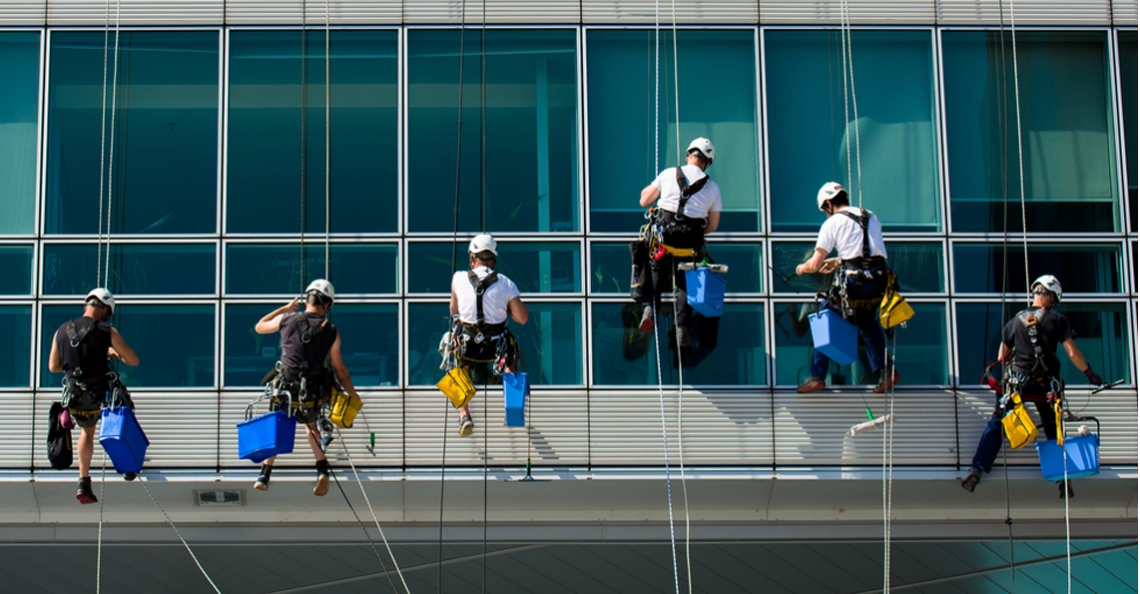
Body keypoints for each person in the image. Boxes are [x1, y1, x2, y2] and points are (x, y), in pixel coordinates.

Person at [961, 275, 1103, 497]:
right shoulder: (1057, 319)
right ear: (1052, 297)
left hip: (1018, 385)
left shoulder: (1013, 322)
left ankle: (976, 469)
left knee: (997, 423)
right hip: (1045, 385)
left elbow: (1002, 356)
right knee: (1053, 429)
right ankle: (1062, 478)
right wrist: (1090, 373)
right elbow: (1072, 352)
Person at [252, 279, 362, 496]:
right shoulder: (330, 330)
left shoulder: (286, 319)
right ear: (328, 305)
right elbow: (340, 370)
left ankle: (265, 473)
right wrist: (353, 395)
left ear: (307, 300)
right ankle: (322, 469)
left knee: (279, 424)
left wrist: (285, 308)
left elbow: (259, 326)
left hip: (285, 386)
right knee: (311, 426)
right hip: (311, 389)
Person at [795, 181, 899, 394]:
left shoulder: (833, 223)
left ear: (829, 204)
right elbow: (868, 253)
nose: (826, 214)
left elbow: (814, 263)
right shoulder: (871, 216)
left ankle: (816, 375)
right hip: (878, 281)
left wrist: (801, 268)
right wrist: (839, 261)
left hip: (854, 283)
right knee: (866, 321)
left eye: (825, 209)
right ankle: (887, 371)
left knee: (826, 316)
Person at [47, 288, 140, 504]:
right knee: (125, 412)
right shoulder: (107, 331)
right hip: (101, 396)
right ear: (104, 309)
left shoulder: (61, 331)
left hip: (75, 399)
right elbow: (133, 360)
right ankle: (127, 466)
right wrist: (115, 354)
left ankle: (83, 480)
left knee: (86, 432)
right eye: (107, 314)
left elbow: (53, 366)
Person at [635, 137, 722, 348]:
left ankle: (649, 309)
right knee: (683, 280)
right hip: (689, 244)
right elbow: (713, 226)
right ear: (708, 162)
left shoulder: (668, 174)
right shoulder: (713, 188)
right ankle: (682, 327)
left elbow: (644, 201)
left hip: (664, 239)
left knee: (655, 267)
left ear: (688, 156)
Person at [449, 234, 529, 437]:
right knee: (509, 363)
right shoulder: (506, 283)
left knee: (459, 366)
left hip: (468, 345)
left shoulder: (458, 279)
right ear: (493, 259)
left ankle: (464, 415)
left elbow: (453, 310)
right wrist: (506, 308)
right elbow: (522, 318)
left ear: (472, 258)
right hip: (496, 345)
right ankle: (513, 409)